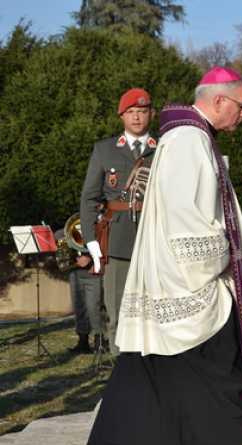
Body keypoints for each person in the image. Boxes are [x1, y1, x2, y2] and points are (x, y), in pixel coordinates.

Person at [83, 67, 242, 445]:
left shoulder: (186, 136)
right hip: (187, 284)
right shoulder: (190, 140)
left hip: (169, 280)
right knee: (219, 371)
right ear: (218, 101)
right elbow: (186, 214)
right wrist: (221, 262)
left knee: (152, 375)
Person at [79, 88, 157, 356]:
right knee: (117, 312)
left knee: (155, 313)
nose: (136, 117)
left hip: (155, 240)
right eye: (130, 112)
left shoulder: (165, 149)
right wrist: (91, 241)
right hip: (116, 241)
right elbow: (90, 199)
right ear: (122, 116)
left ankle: (154, 374)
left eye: (142, 111)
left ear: (151, 114)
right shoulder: (104, 149)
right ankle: (123, 379)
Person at [55, 228, 104, 354]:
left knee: (94, 307)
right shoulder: (74, 225)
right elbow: (58, 235)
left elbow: (105, 245)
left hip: (93, 272)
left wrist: (89, 257)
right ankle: (83, 340)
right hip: (76, 272)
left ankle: (99, 341)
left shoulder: (101, 225)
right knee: (79, 307)